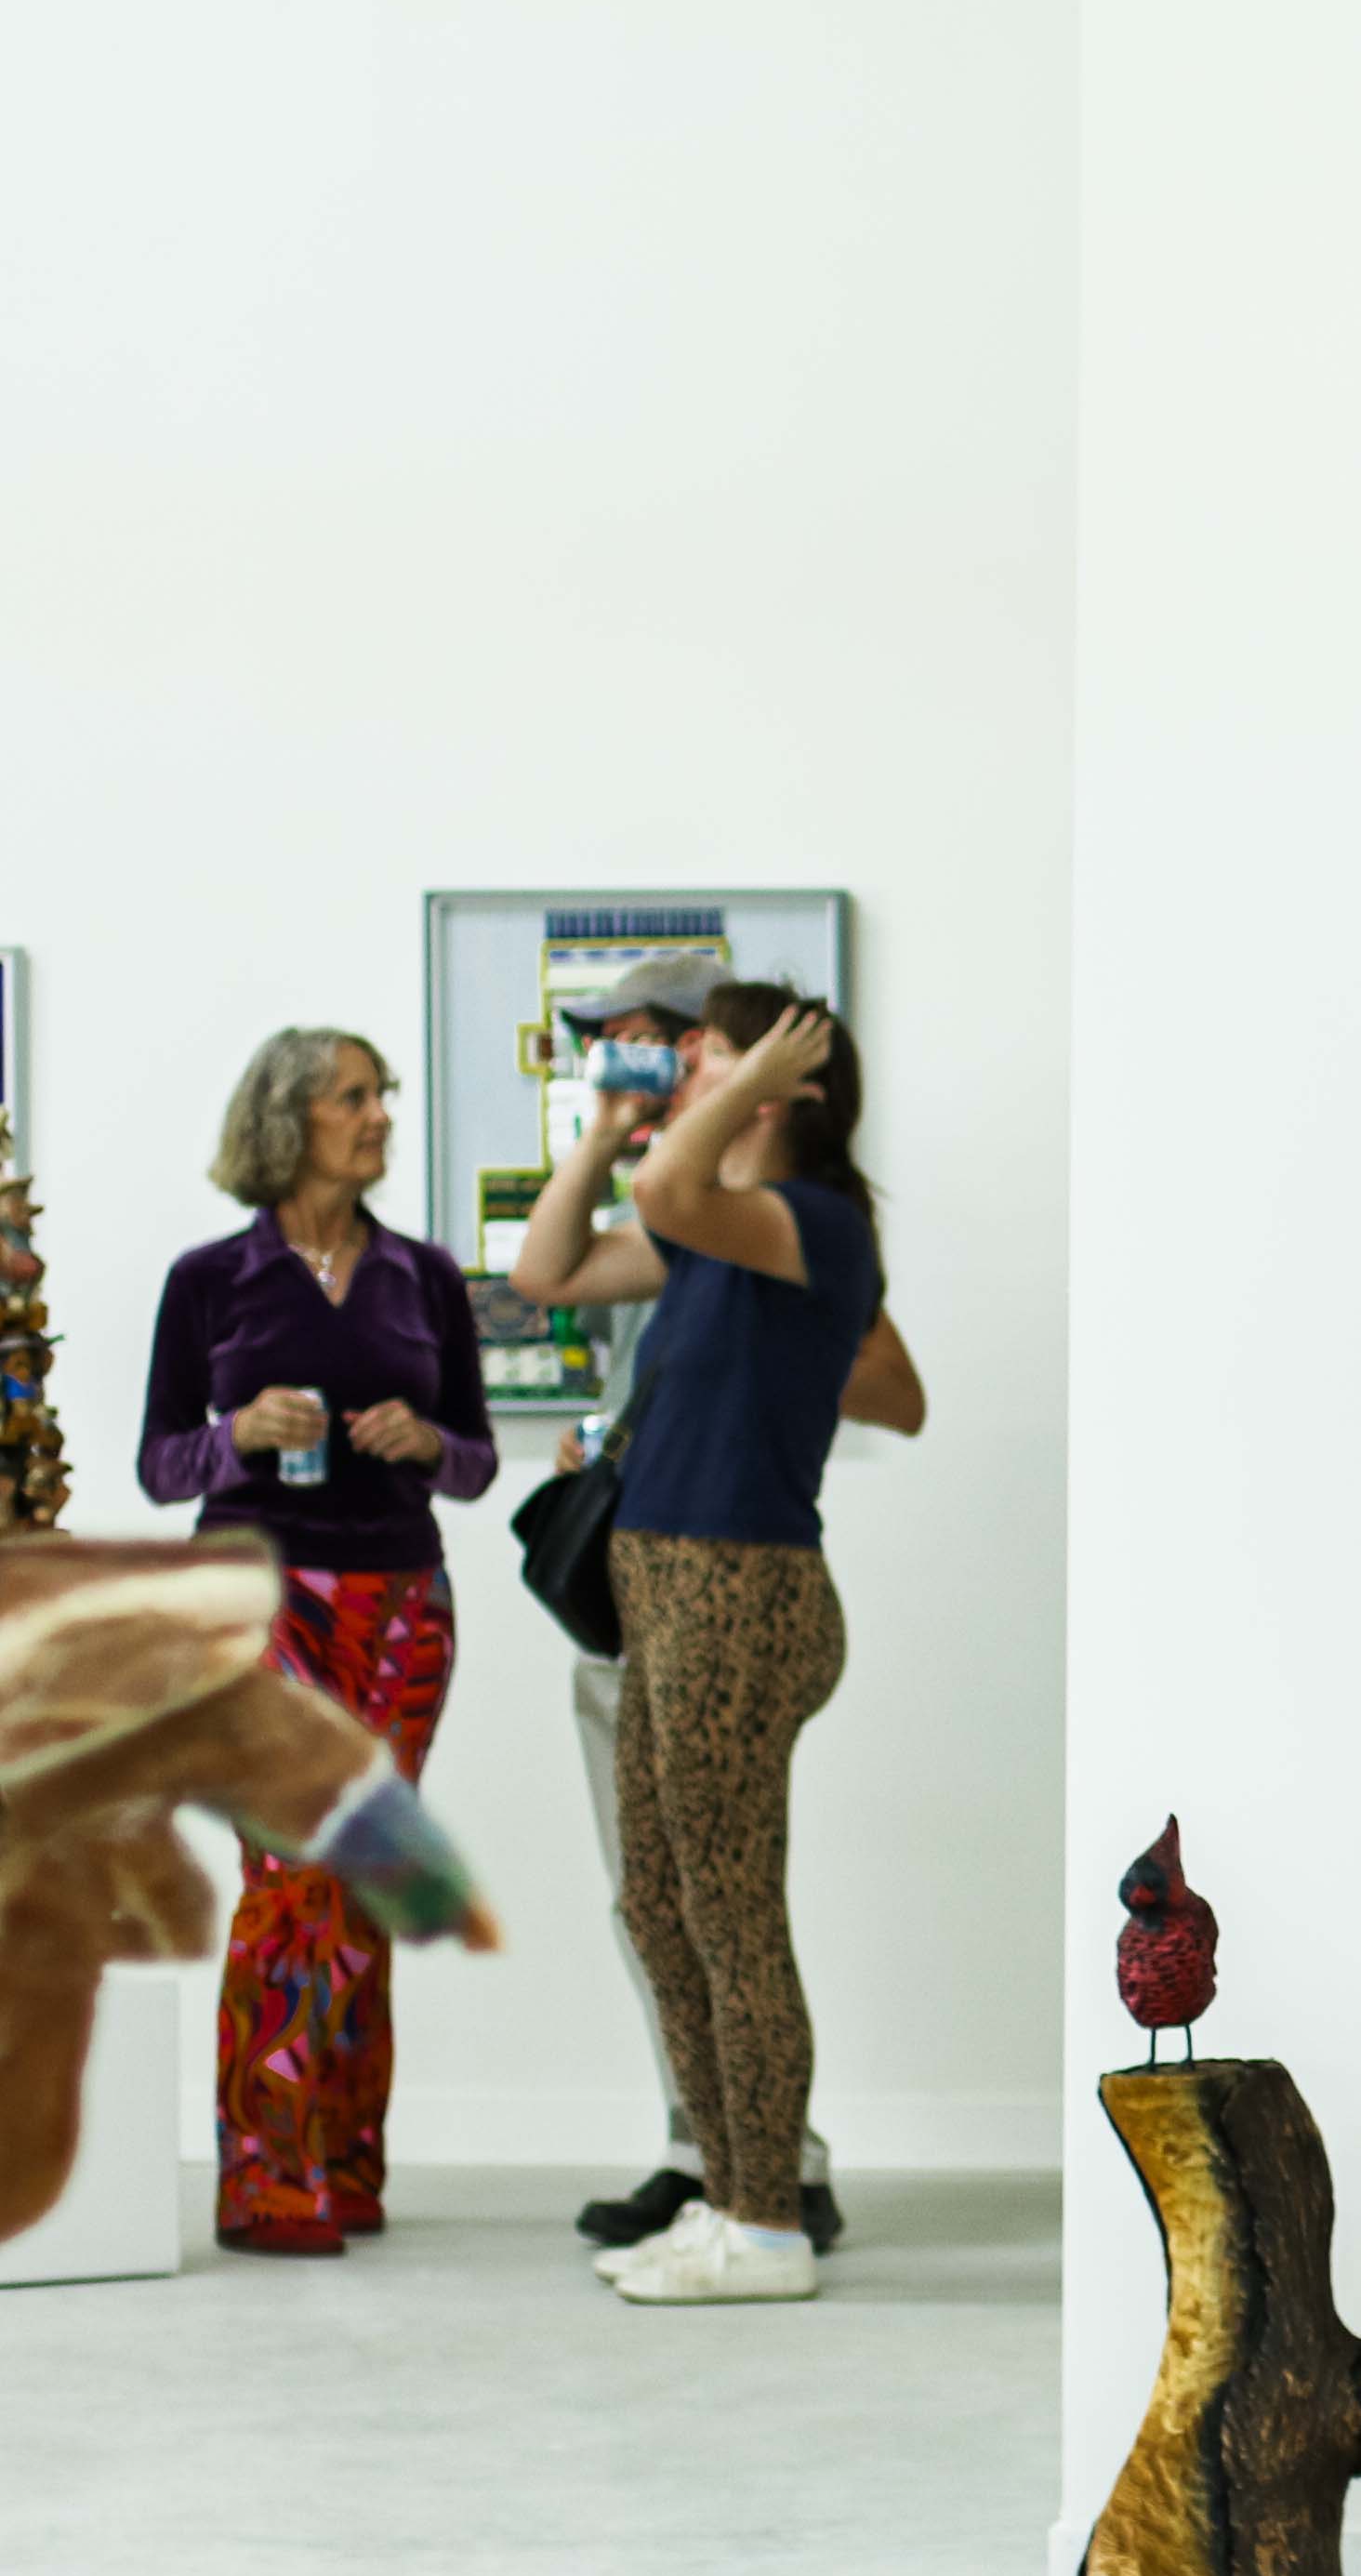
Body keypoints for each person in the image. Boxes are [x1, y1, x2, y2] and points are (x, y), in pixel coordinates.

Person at [512, 956, 918, 2252]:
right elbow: (547, 1268)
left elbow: (675, 1187)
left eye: (700, 1058)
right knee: (659, 1902)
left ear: (771, 1083)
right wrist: (607, 1131)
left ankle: (761, 2211)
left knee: (730, 1907)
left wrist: (724, 1091)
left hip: (742, 1591)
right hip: (664, 1590)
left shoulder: (813, 1223)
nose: (675, 1066)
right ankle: (723, 2190)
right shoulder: (700, 1244)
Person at [135, 1028, 499, 2254]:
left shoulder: (426, 1277)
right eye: (357, 1097)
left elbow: (479, 1460)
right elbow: (157, 1463)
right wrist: (236, 1432)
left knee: (367, 1876)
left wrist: (426, 1445)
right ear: (291, 1120)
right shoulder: (207, 1281)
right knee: (291, 1875)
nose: (381, 1115)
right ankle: (265, 2178)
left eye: (384, 1094)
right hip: (255, 1597)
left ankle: (343, 2161)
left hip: (403, 1606)